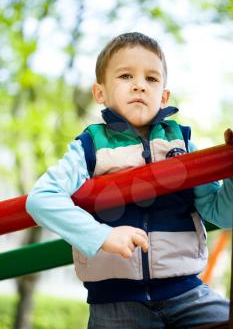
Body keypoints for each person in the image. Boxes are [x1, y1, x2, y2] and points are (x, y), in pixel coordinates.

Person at [26, 32, 233, 329]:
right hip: (114, 302)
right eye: (125, 76)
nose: (139, 84)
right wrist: (102, 236)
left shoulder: (183, 144)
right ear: (101, 93)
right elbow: (42, 198)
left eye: (151, 78)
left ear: (164, 95)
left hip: (187, 292)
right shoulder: (89, 146)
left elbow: (221, 212)